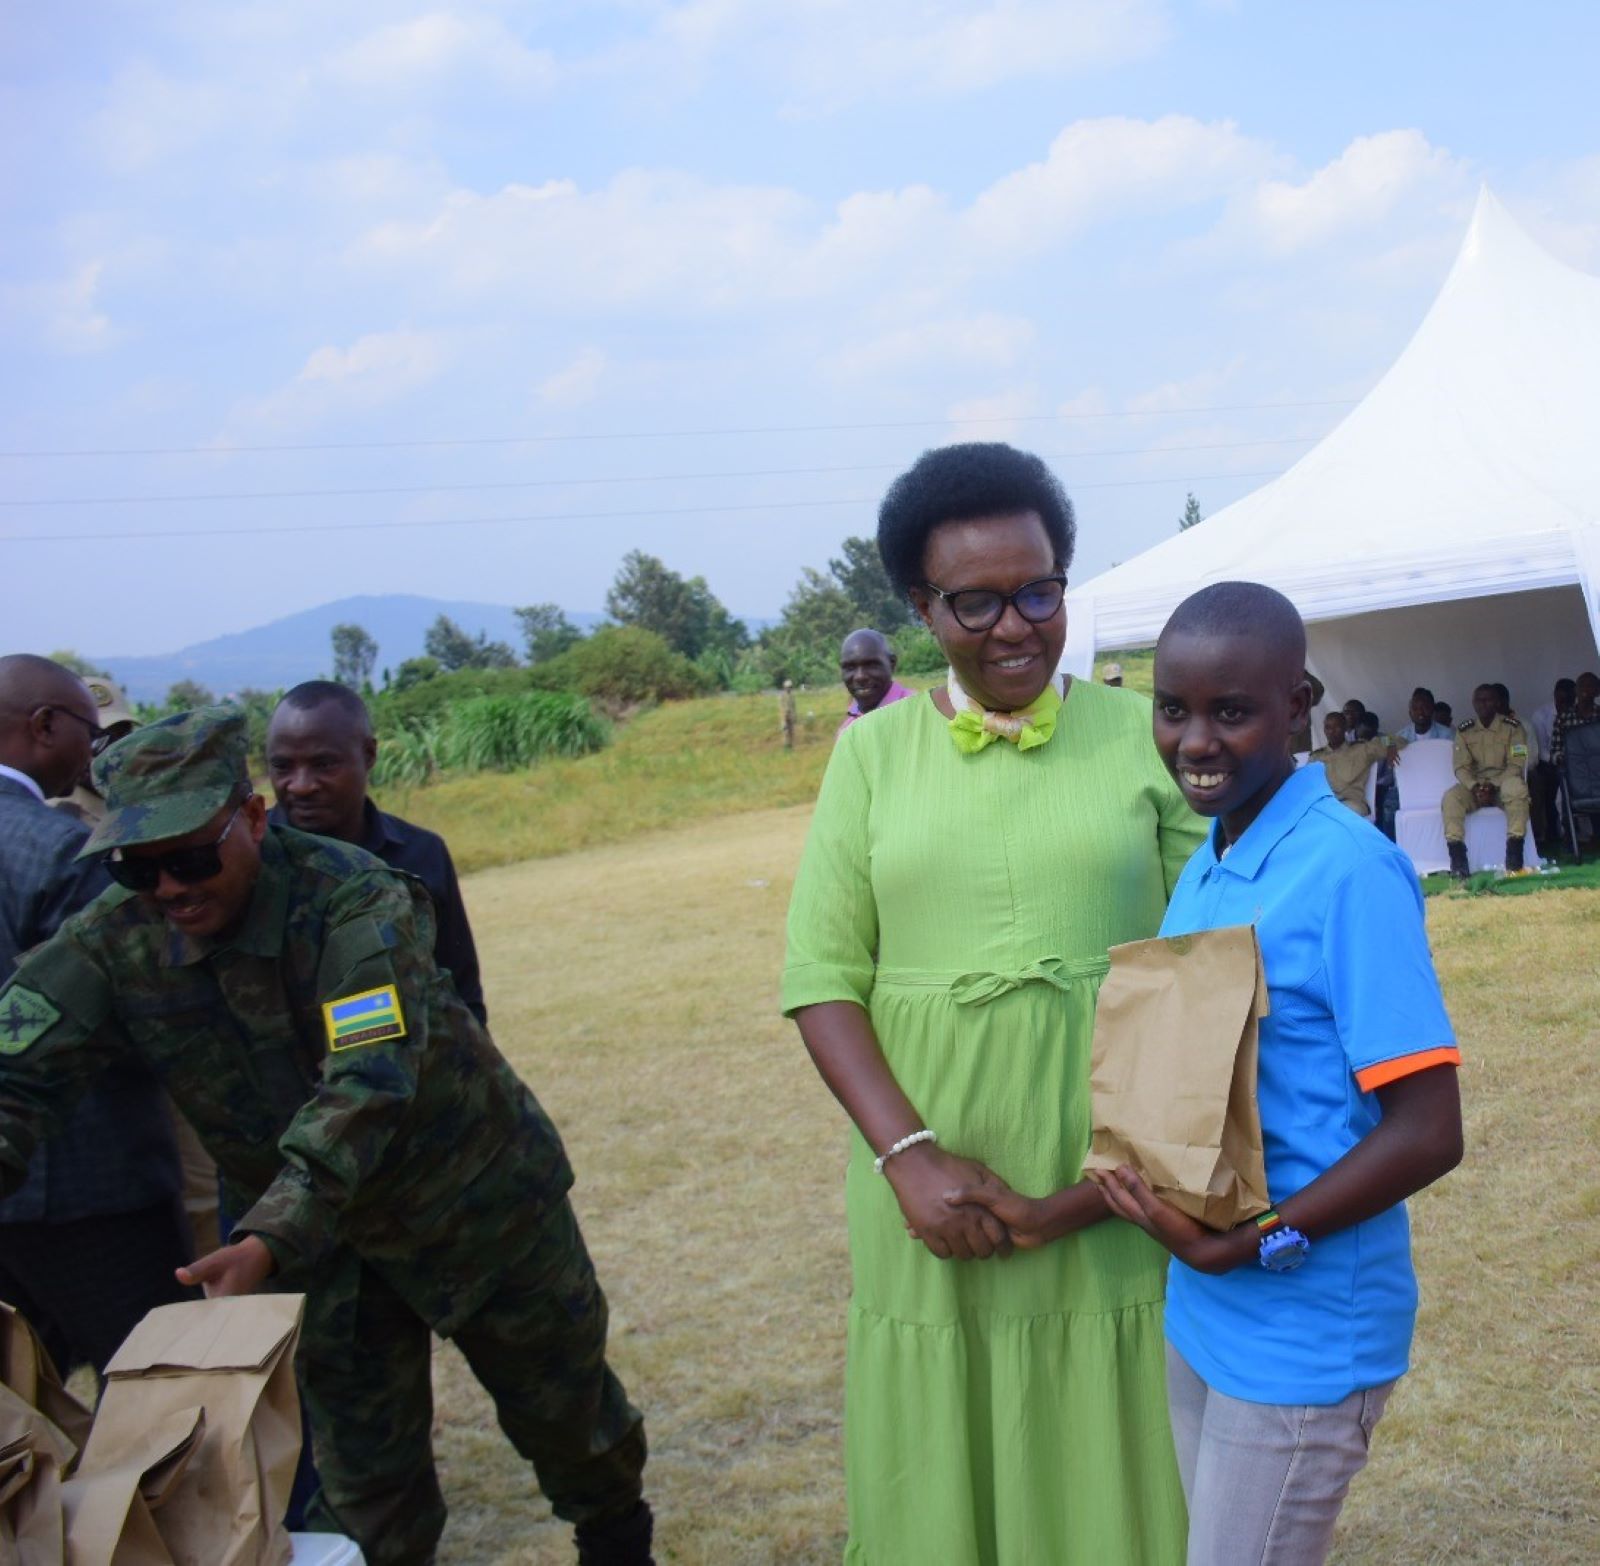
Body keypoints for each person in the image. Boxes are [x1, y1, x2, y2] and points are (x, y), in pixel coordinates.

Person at [0, 708, 653, 1566]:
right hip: (324, 1254)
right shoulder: (112, 939)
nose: (168, 889)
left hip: (473, 1206)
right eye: (136, 867)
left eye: (190, 858)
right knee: (363, 1486)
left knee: (573, 1425)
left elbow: (369, 1080)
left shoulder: (355, 897)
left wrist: (271, 1232)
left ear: (253, 816)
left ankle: (618, 1547)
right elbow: (13, 1077)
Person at [955, 582, 1463, 1566]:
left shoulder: (1348, 871)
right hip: (1203, 1315)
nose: (1194, 742)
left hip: (1303, 1333)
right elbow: (1185, 1111)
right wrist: (1048, 1214)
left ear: (1298, 705)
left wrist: (1249, 1247)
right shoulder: (1210, 861)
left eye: (1230, 712)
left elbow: (1428, 1131)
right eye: (1172, 709)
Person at [784, 443, 1202, 1564]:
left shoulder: (1146, 735)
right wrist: (909, 1160)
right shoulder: (870, 758)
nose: (1014, 626)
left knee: (1122, 1439)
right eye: (975, 602)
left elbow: (1207, 969)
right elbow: (821, 978)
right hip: (933, 1191)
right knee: (949, 1453)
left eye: (1039, 592)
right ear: (922, 608)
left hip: (1116, 1175)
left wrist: (1099, 1187)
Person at [0, 654, 192, 1375]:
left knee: (21, 1404)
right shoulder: (61, 852)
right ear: (46, 726)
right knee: (160, 1389)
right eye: (89, 730)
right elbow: (131, 1014)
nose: (94, 753)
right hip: (91, 1183)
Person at [266, 681, 486, 1025]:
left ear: (368, 755)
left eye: (324, 764)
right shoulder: (246, 860)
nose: (302, 785)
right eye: (282, 767)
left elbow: (461, 991)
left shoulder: (420, 854)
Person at [1442, 683, 1533, 877]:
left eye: (1488, 699)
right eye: (1479, 700)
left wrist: (1493, 785)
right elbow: (1460, 767)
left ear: (1497, 702)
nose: (1483, 704)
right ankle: (1458, 862)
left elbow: (1516, 764)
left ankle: (1514, 858)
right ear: (1473, 703)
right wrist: (1475, 787)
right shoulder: (1465, 730)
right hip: (1475, 788)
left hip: (1503, 784)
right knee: (1451, 798)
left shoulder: (1513, 727)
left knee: (1517, 789)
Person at [50, 675, 137, 825]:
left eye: (123, 737)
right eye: (97, 740)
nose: (113, 751)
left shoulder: (136, 800)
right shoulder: (57, 818)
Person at [1309, 711, 1400, 818]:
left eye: (1337, 727)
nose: (1332, 731)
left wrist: (1391, 744)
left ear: (1345, 728)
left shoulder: (1361, 749)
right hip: (1325, 805)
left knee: (1338, 814)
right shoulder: (1316, 757)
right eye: (1328, 727)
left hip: (1351, 804)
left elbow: (1399, 739)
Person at [837, 629, 913, 735]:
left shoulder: (916, 713)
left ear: (892, 664)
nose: (860, 677)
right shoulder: (847, 728)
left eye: (871, 665)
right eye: (850, 667)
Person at [1529, 679, 1575, 849]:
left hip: (1575, 762)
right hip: (1549, 762)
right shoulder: (1541, 715)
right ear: (1555, 695)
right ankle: (1554, 832)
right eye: (1561, 700)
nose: (1565, 705)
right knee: (1549, 780)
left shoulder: (1576, 713)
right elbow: (1541, 750)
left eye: (1570, 701)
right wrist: (1559, 760)